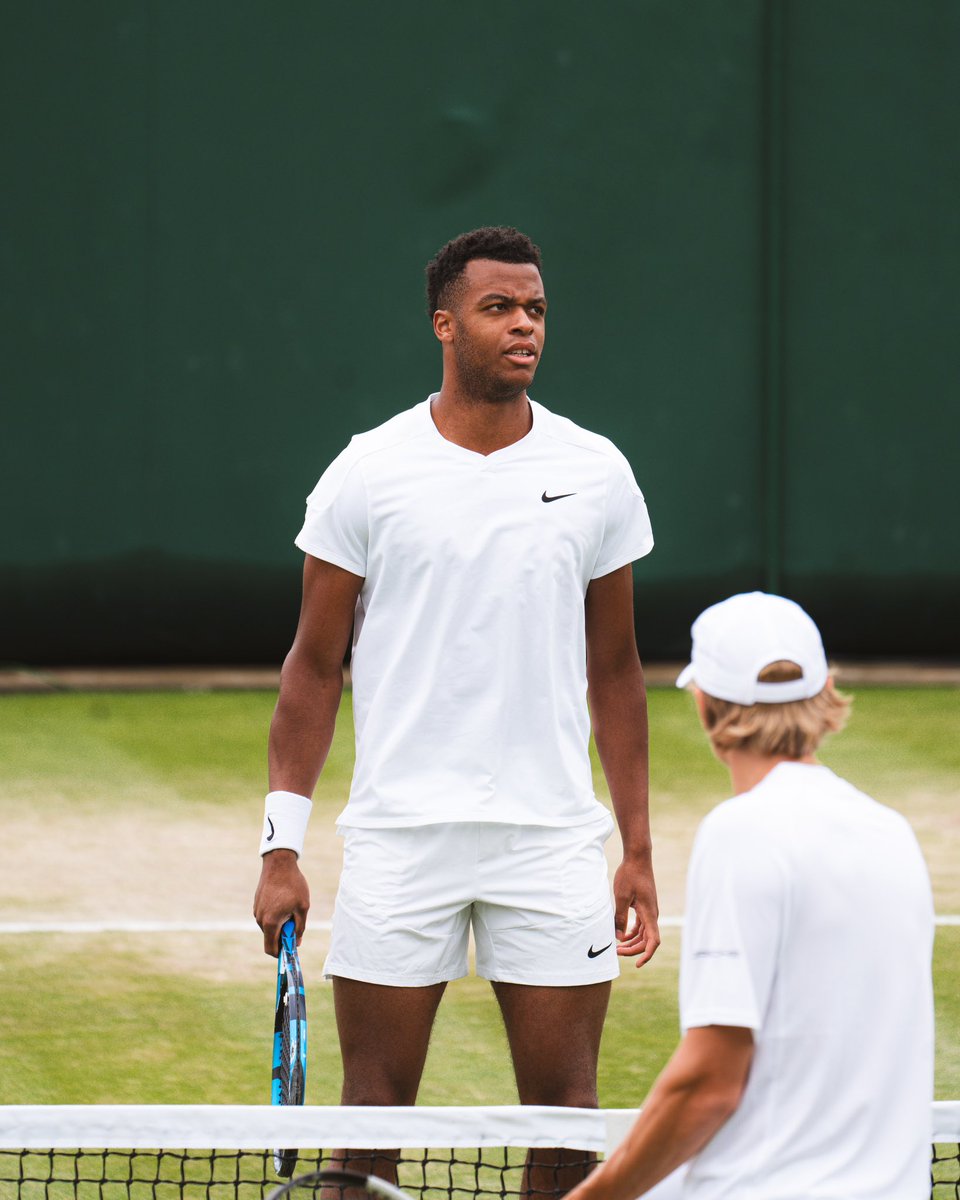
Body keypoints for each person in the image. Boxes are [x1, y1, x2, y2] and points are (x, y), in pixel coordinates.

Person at [252, 226, 660, 1176]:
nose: (525, 326)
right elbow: (313, 668)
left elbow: (617, 670)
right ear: (445, 324)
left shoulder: (597, 470)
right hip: (401, 841)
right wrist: (281, 847)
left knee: (566, 1121)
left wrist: (636, 847)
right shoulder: (367, 470)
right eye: (500, 308)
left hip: (552, 841)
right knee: (369, 1118)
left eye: (537, 311)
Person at [566, 591, 935, 1200]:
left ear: (707, 704)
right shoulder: (893, 834)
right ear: (823, 694)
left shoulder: (742, 834)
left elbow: (710, 1081)